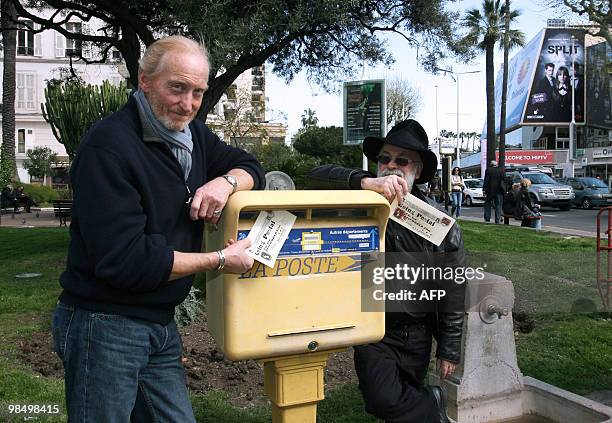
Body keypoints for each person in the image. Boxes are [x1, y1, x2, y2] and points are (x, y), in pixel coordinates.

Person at [51, 36, 265, 422]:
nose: (188, 104)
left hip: (158, 322)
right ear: (145, 81)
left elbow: (250, 166)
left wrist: (226, 183)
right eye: (177, 88)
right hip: (104, 325)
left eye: (198, 92)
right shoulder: (108, 147)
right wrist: (220, 258)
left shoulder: (192, 136)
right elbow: (128, 260)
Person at [307, 119, 465, 423]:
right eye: (384, 159)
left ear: (417, 171)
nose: (392, 166)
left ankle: (425, 406)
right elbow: (312, 177)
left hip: (416, 332)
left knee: (400, 408)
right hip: (374, 330)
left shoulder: (441, 226)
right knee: (381, 399)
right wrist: (363, 183)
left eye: (402, 160)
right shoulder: (360, 200)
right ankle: (432, 405)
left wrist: (449, 347)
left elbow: (453, 290)